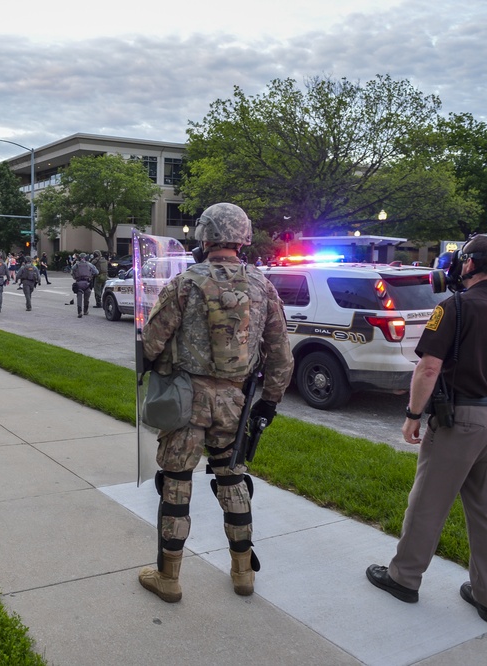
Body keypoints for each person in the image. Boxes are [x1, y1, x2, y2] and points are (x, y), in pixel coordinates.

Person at [366, 234, 487, 624]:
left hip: (461, 419)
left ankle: (404, 577)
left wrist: (413, 415)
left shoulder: (454, 308)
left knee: (429, 501)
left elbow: (428, 368)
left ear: (468, 265)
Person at [138, 202, 294, 604]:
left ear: (204, 237)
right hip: (234, 402)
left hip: (185, 400)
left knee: (176, 482)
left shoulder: (185, 283)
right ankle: (243, 573)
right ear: (242, 238)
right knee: (232, 478)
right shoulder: (262, 286)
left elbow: (152, 342)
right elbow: (280, 353)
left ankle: (168, 578)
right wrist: (269, 403)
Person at [71, 253, 98, 317]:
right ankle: (85, 311)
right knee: (86, 298)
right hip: (87, 283)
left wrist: (75, 277)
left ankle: (79, 312)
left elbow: (72, 272)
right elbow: (96, 272)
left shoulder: (76, 265)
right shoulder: (89, 264)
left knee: (79, 298)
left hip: (79, 283)